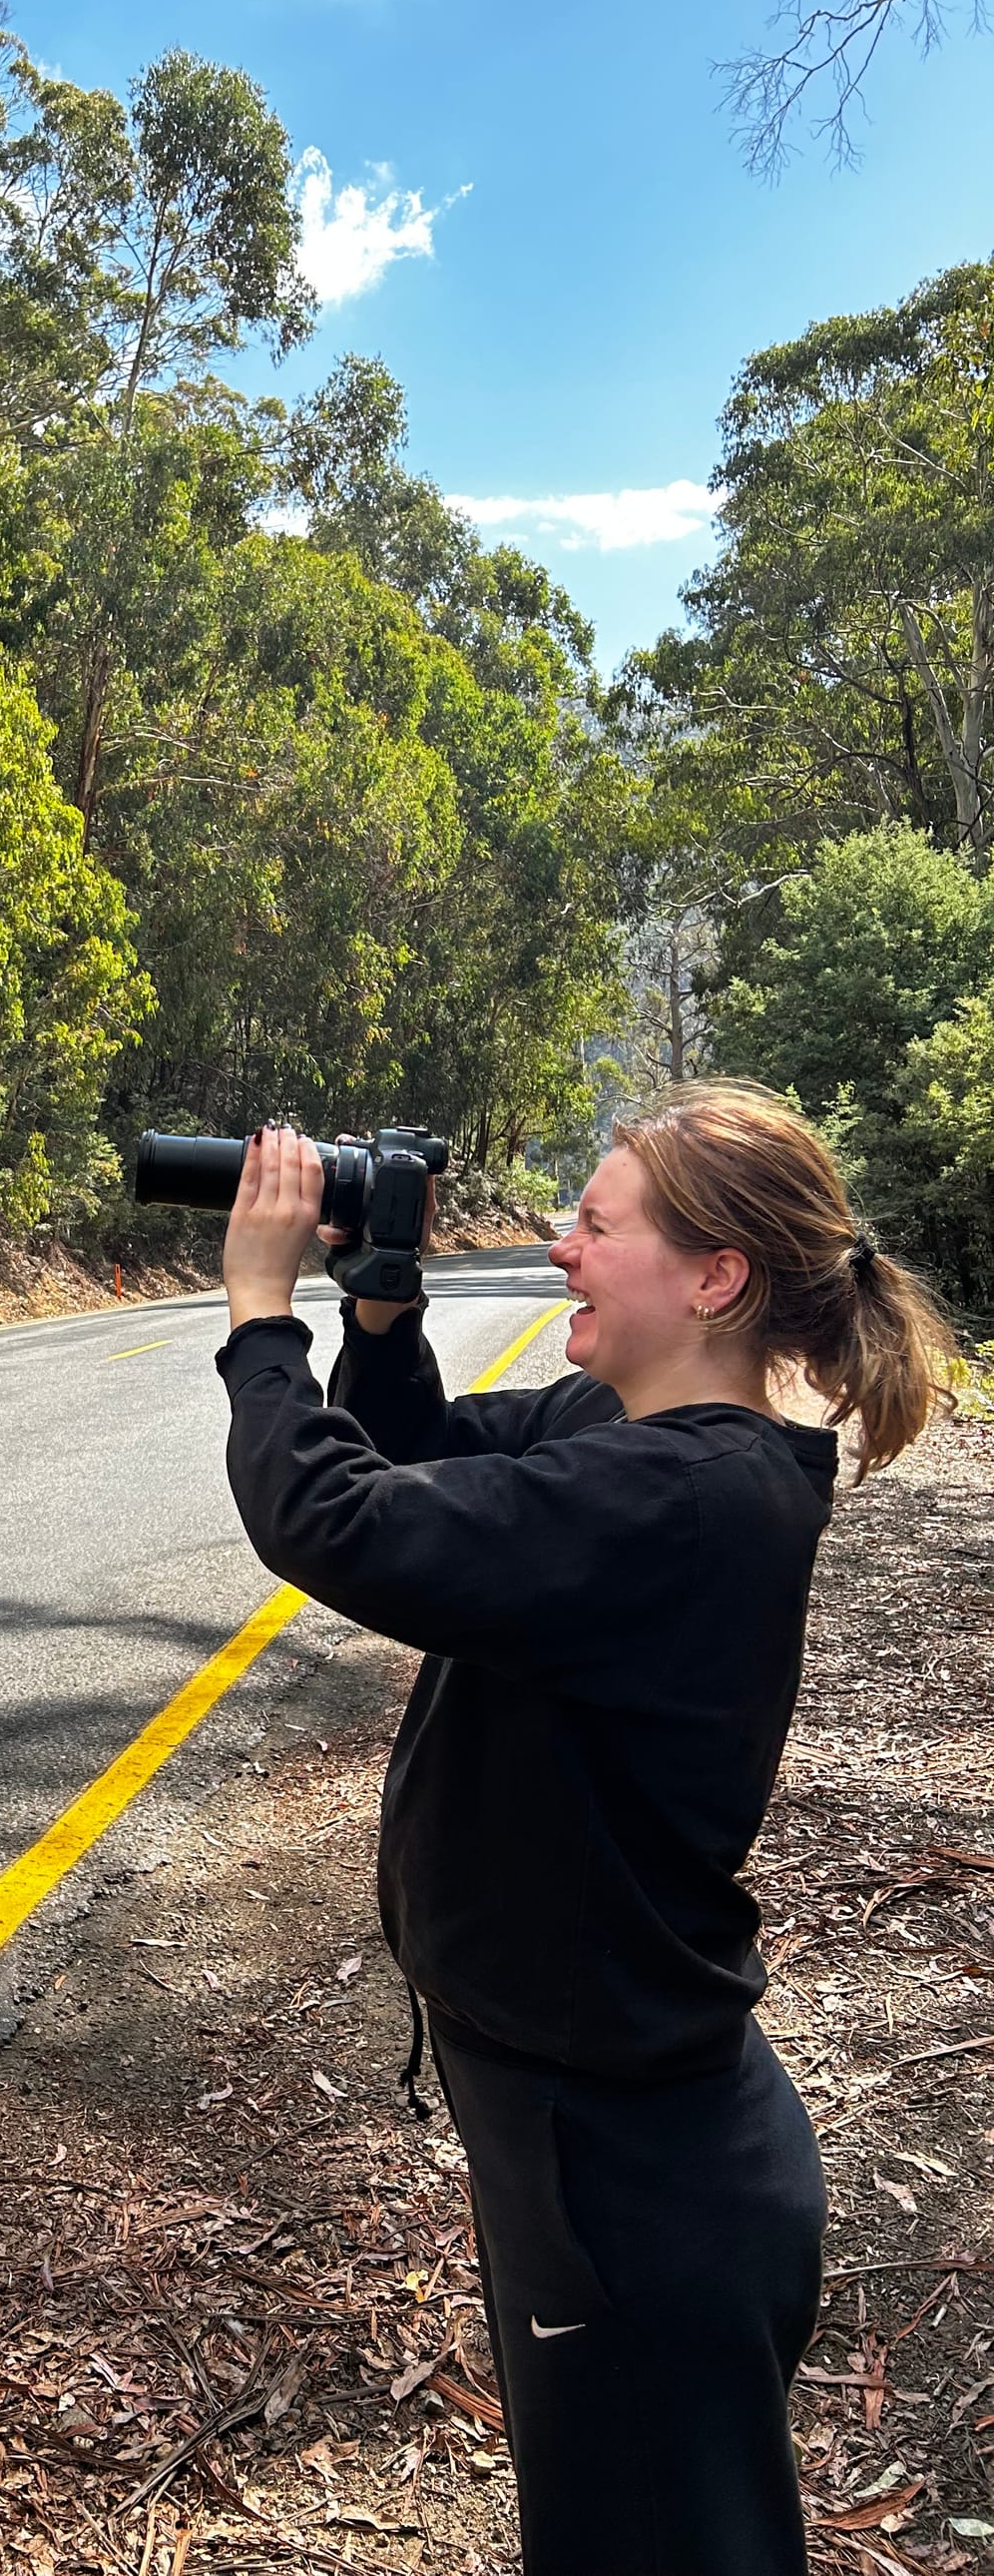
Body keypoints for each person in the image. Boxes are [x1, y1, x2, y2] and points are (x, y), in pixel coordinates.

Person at [214, 1083, 954, 2576]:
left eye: (594, 1224)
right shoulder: (627, 1436)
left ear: (714, 1278)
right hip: (596, 2122)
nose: (561, 1248)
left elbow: (340, 1523)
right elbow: (412, 1445)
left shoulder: (678, 1495)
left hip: (628, 2165)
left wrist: (259, 1313)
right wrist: (378, 1297)